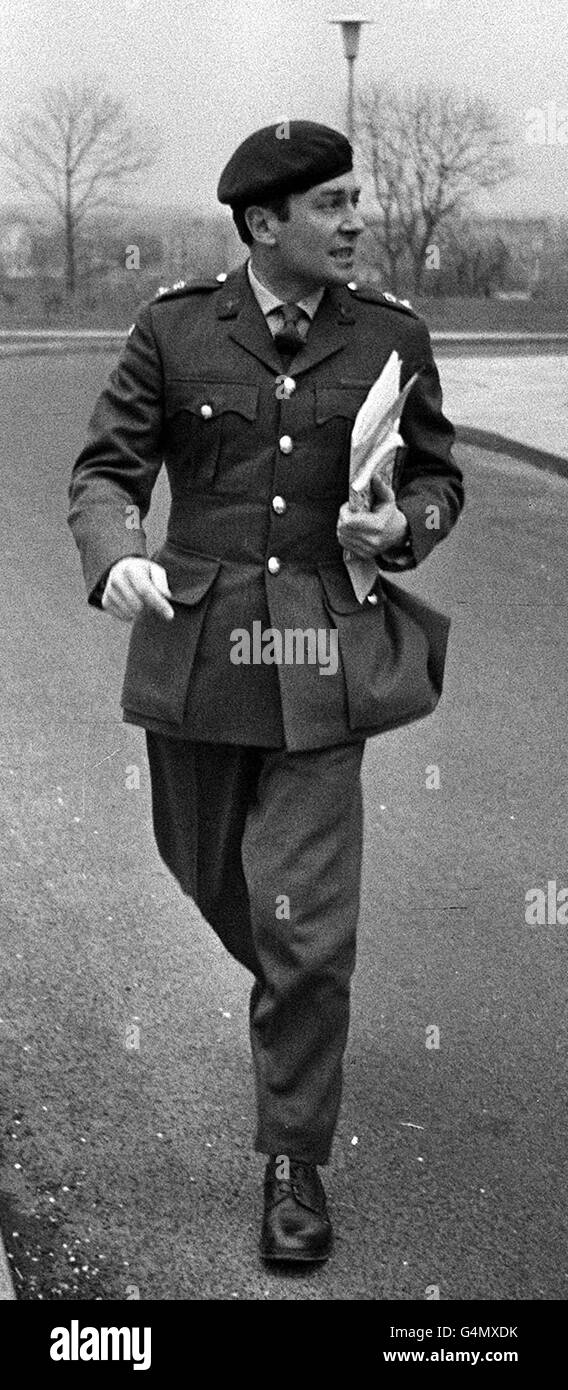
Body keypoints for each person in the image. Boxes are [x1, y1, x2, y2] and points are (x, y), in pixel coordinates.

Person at [68, 120, 464, 1265]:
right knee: (207, 871)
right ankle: (307, 999)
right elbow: (106, 469)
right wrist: (116, 554)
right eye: (331, 204)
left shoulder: (391, 334)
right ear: (262, 224)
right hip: (196, 660)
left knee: (302, 927)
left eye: (355, 201)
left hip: (320, 668)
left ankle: (293, 1159)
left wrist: (404, 527)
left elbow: (435, 475)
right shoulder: (174, 327)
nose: (354, 221)